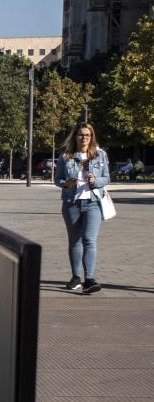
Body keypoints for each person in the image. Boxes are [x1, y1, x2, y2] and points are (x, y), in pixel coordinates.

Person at [53, 122, 110, 294]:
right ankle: (76, 277)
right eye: (80, 135)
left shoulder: (100, 155)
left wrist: (95, 181)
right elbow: (57, 179)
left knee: (89, 240)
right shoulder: (66, 156)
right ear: (75, 136)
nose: (84, 138)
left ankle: (89, 279)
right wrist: (66, 183)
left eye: (87, 135)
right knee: (75, 241)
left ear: (91, 137)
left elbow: (106, 178)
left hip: (93, 203)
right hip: (72, 204)